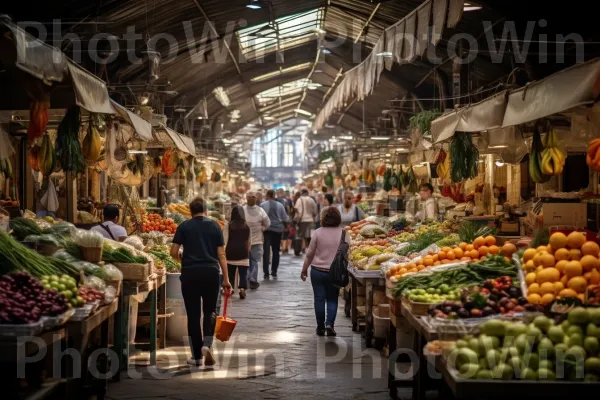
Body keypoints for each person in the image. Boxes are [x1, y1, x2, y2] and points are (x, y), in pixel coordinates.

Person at [170, 197, 232, 367]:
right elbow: (221, 255)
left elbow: (173, 251)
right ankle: (207, 344)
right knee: (210, 311)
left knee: (193, 314)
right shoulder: (214, 226)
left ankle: (196, 356)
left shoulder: (184, 226)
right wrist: (226, 279)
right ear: (205, 210)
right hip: (211, 273)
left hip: (190, 274)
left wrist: (181, 259)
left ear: (190, 211)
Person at [301, 206, 351, 337]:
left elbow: (309, 254)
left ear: (323, 218)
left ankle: (320, 328)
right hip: (335, 273)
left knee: (319, 299)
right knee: (332, 299)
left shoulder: (317, 232)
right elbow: (348, 253)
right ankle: (330, 324)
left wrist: (304, 269)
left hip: (317, 271)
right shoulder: (344, 233)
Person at [243, 192, 270, 289]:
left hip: (246, 240)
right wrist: (261, 229)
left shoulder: (242, 210)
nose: (251, 198)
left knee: (247, 260)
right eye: (250, 197)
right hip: (255, 240)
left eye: (252, 197)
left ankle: (247, 278)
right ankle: (252, 279)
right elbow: (267, 223)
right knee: (254, 260)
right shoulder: (260, 211)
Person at [260, 190, 289, 279]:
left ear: (267, 195)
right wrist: (286, 226)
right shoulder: (280, 205)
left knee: (266, 251)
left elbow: (260, 218)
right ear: (274, 195)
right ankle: (274, 271)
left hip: (266, 230)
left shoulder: (262, 205)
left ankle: (266, 272)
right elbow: (285, 218)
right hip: (277, 230)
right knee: (276, 251)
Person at [223, 205, 250, 299]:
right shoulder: (246, 225)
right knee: (243, 273)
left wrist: (223, 251)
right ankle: (242, 288)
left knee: (231, 272)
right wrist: (248, 250)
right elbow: (249, 240)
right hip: (243, 251)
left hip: (231, 252)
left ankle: (231, 288)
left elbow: (225, 239)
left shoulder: (229, 225)